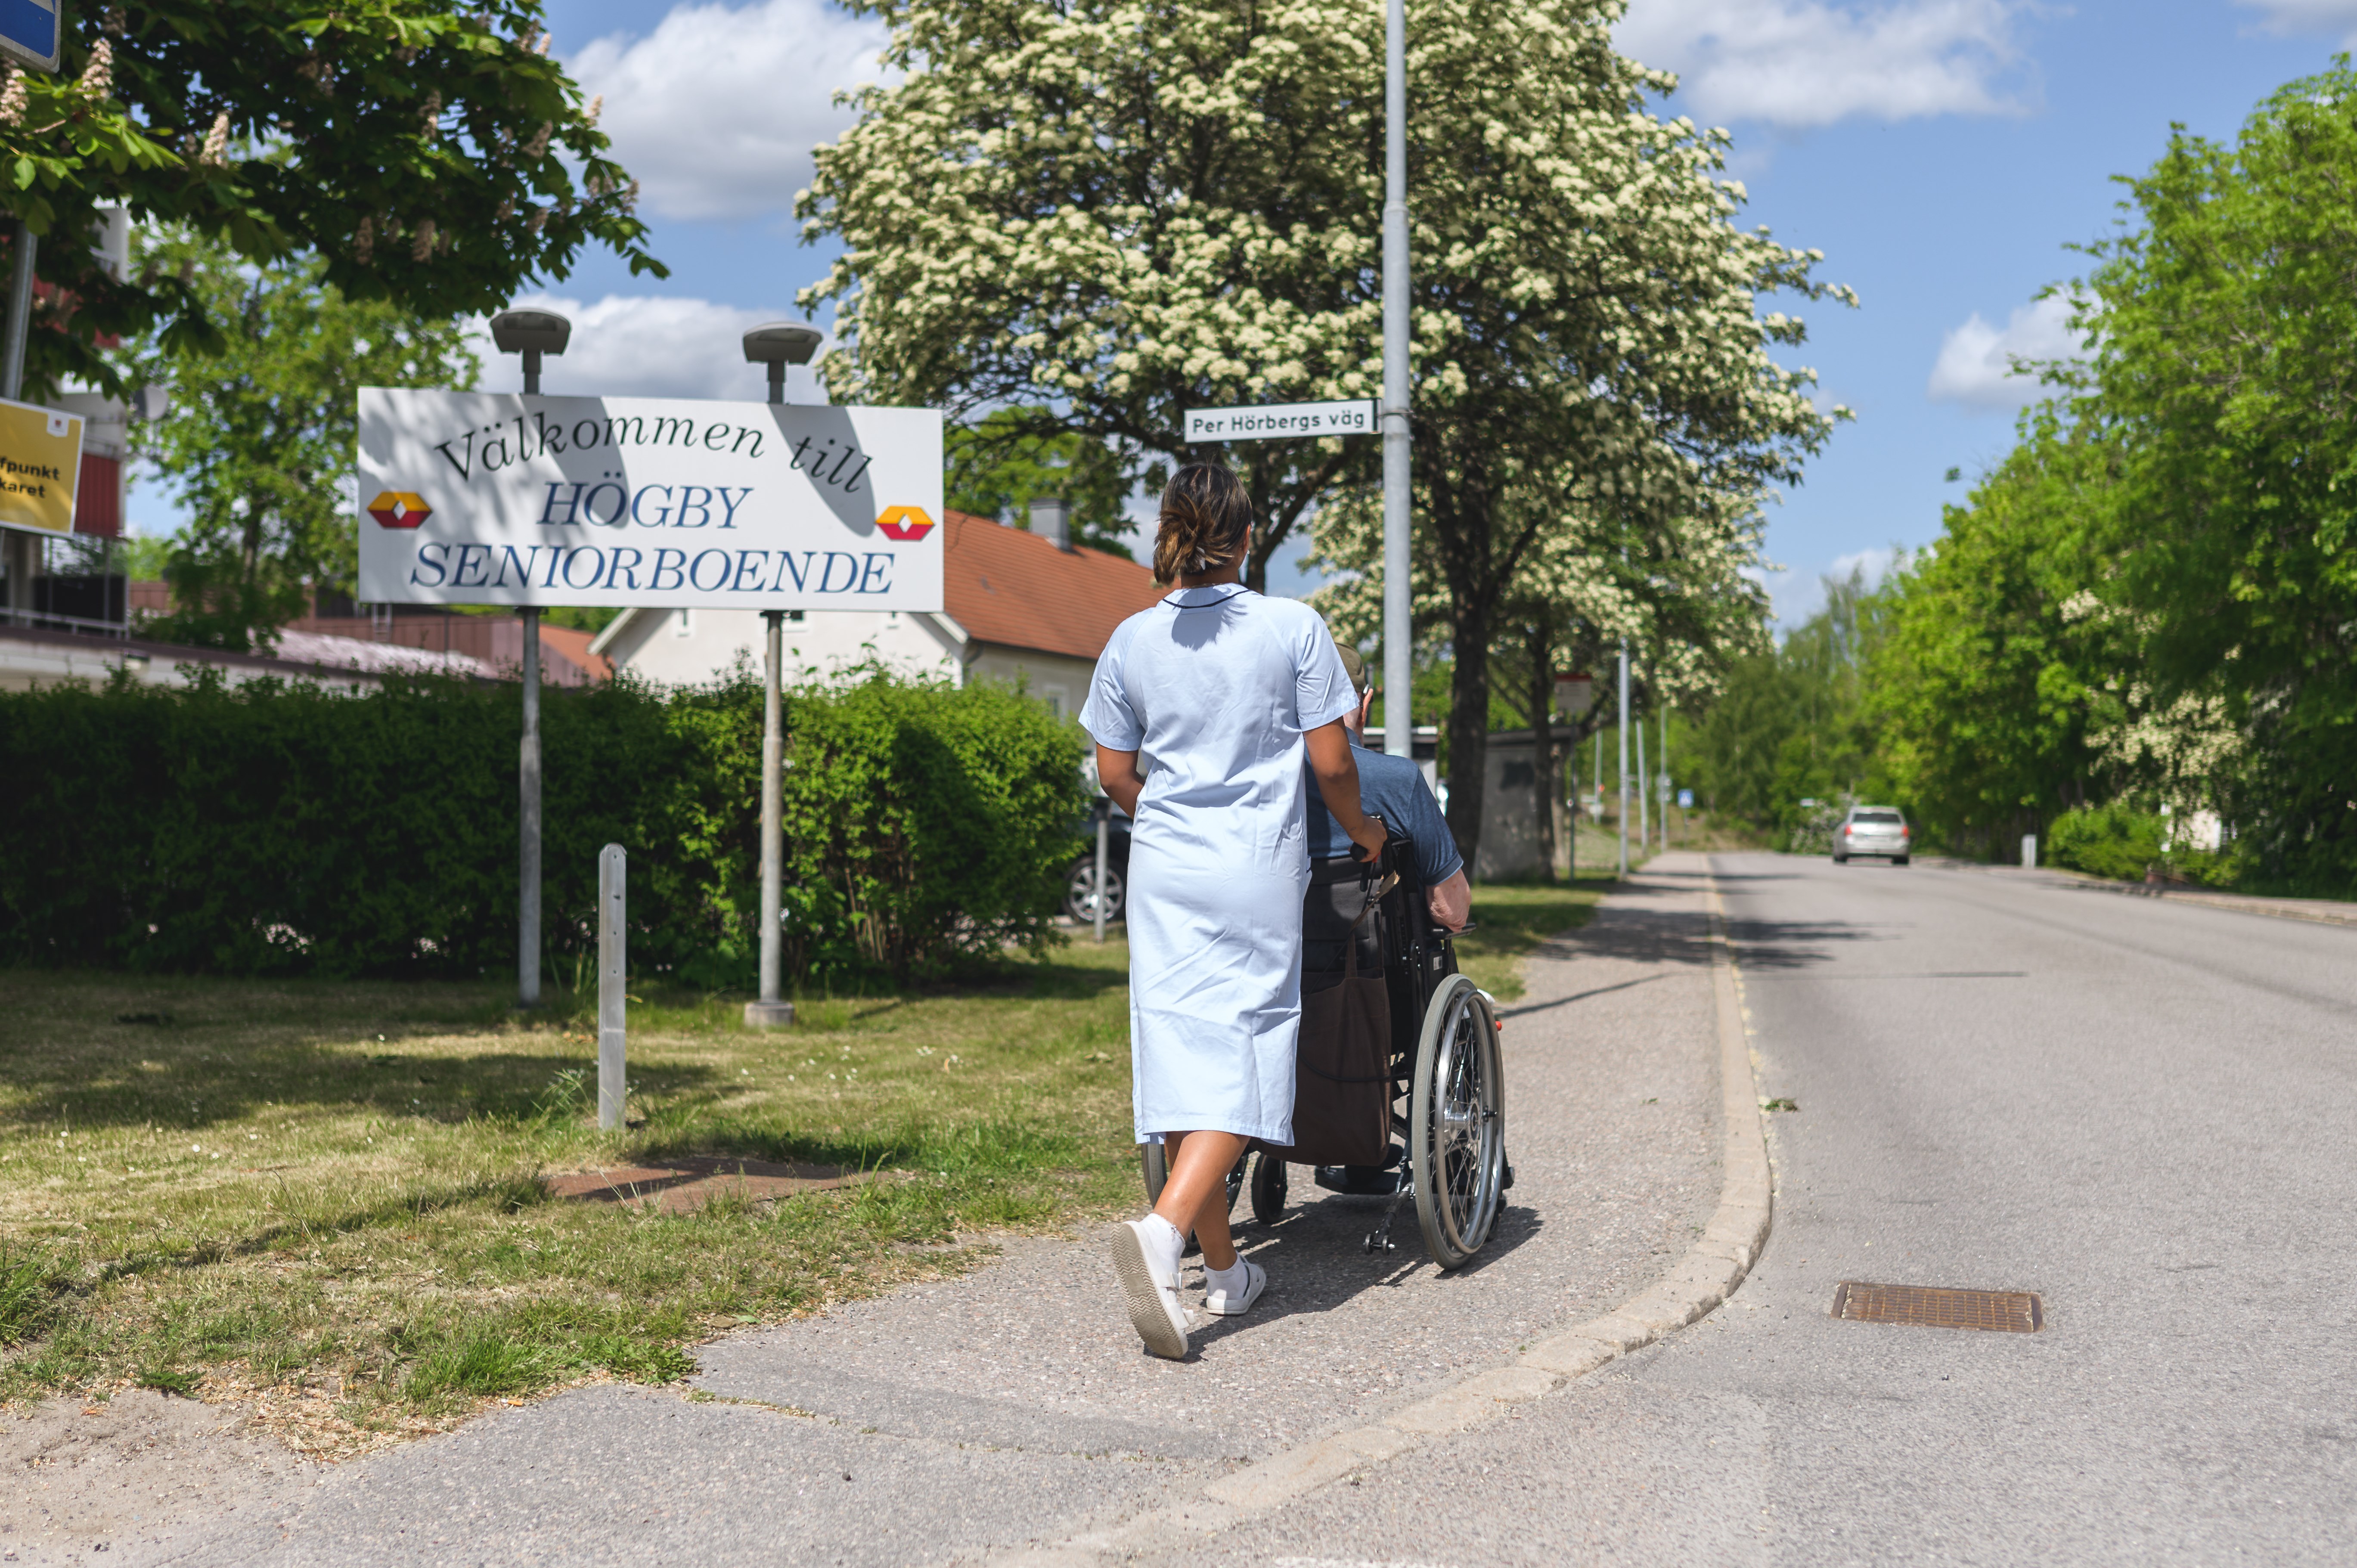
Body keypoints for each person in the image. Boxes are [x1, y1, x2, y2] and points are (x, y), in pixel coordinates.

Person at [1080, 463, 1388, 1360]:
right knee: (1249, 1051)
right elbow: (1333, 767)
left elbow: (1112, 774)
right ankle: (1165, 1230)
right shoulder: (1291, 628)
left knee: (1180, 1051)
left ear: (1168, 536)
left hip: (1163, 869)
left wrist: (1172, 820)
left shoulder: (1130, 640)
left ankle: (1224, 1275)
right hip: (1252, 867)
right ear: (1249, 538)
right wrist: (1366, 834)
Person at [1302, 640, 1471, 933]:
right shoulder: (1400, 780)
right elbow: (1451, 911)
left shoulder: (1258, 779)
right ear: (1365, 705)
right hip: (1378, 972)